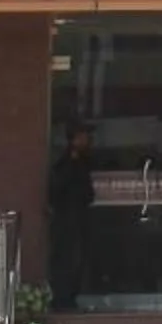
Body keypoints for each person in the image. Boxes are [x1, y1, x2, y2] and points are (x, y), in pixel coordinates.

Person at [47, 124, 96, 312]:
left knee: (77, 259)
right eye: (84, 137)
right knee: (68, 260)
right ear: (74, 139)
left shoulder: (82, 161)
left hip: (78, 217)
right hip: (67, 219)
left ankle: (70, 299)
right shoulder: (66, 162)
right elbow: (59, 189)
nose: (88, 141)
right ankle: (63, 300)